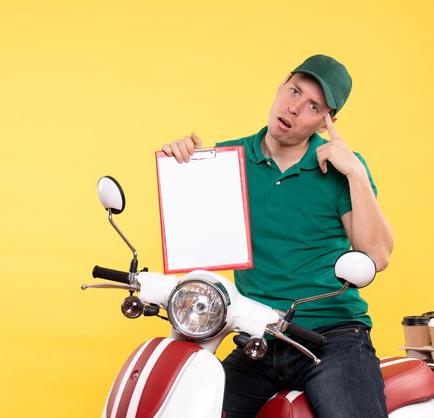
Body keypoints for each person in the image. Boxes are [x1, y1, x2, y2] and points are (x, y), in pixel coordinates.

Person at [162, 54, 393, 418]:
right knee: (193, 408)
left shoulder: (340, 169)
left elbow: (377, 256)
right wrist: (180, 167)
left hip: (331, 336)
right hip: (257, 335)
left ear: (325, 121)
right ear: (281, 85)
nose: (294, 107)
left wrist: (355, 172)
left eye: (313, 105)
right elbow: (194, 239)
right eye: (294, 91)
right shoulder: (226, 159)